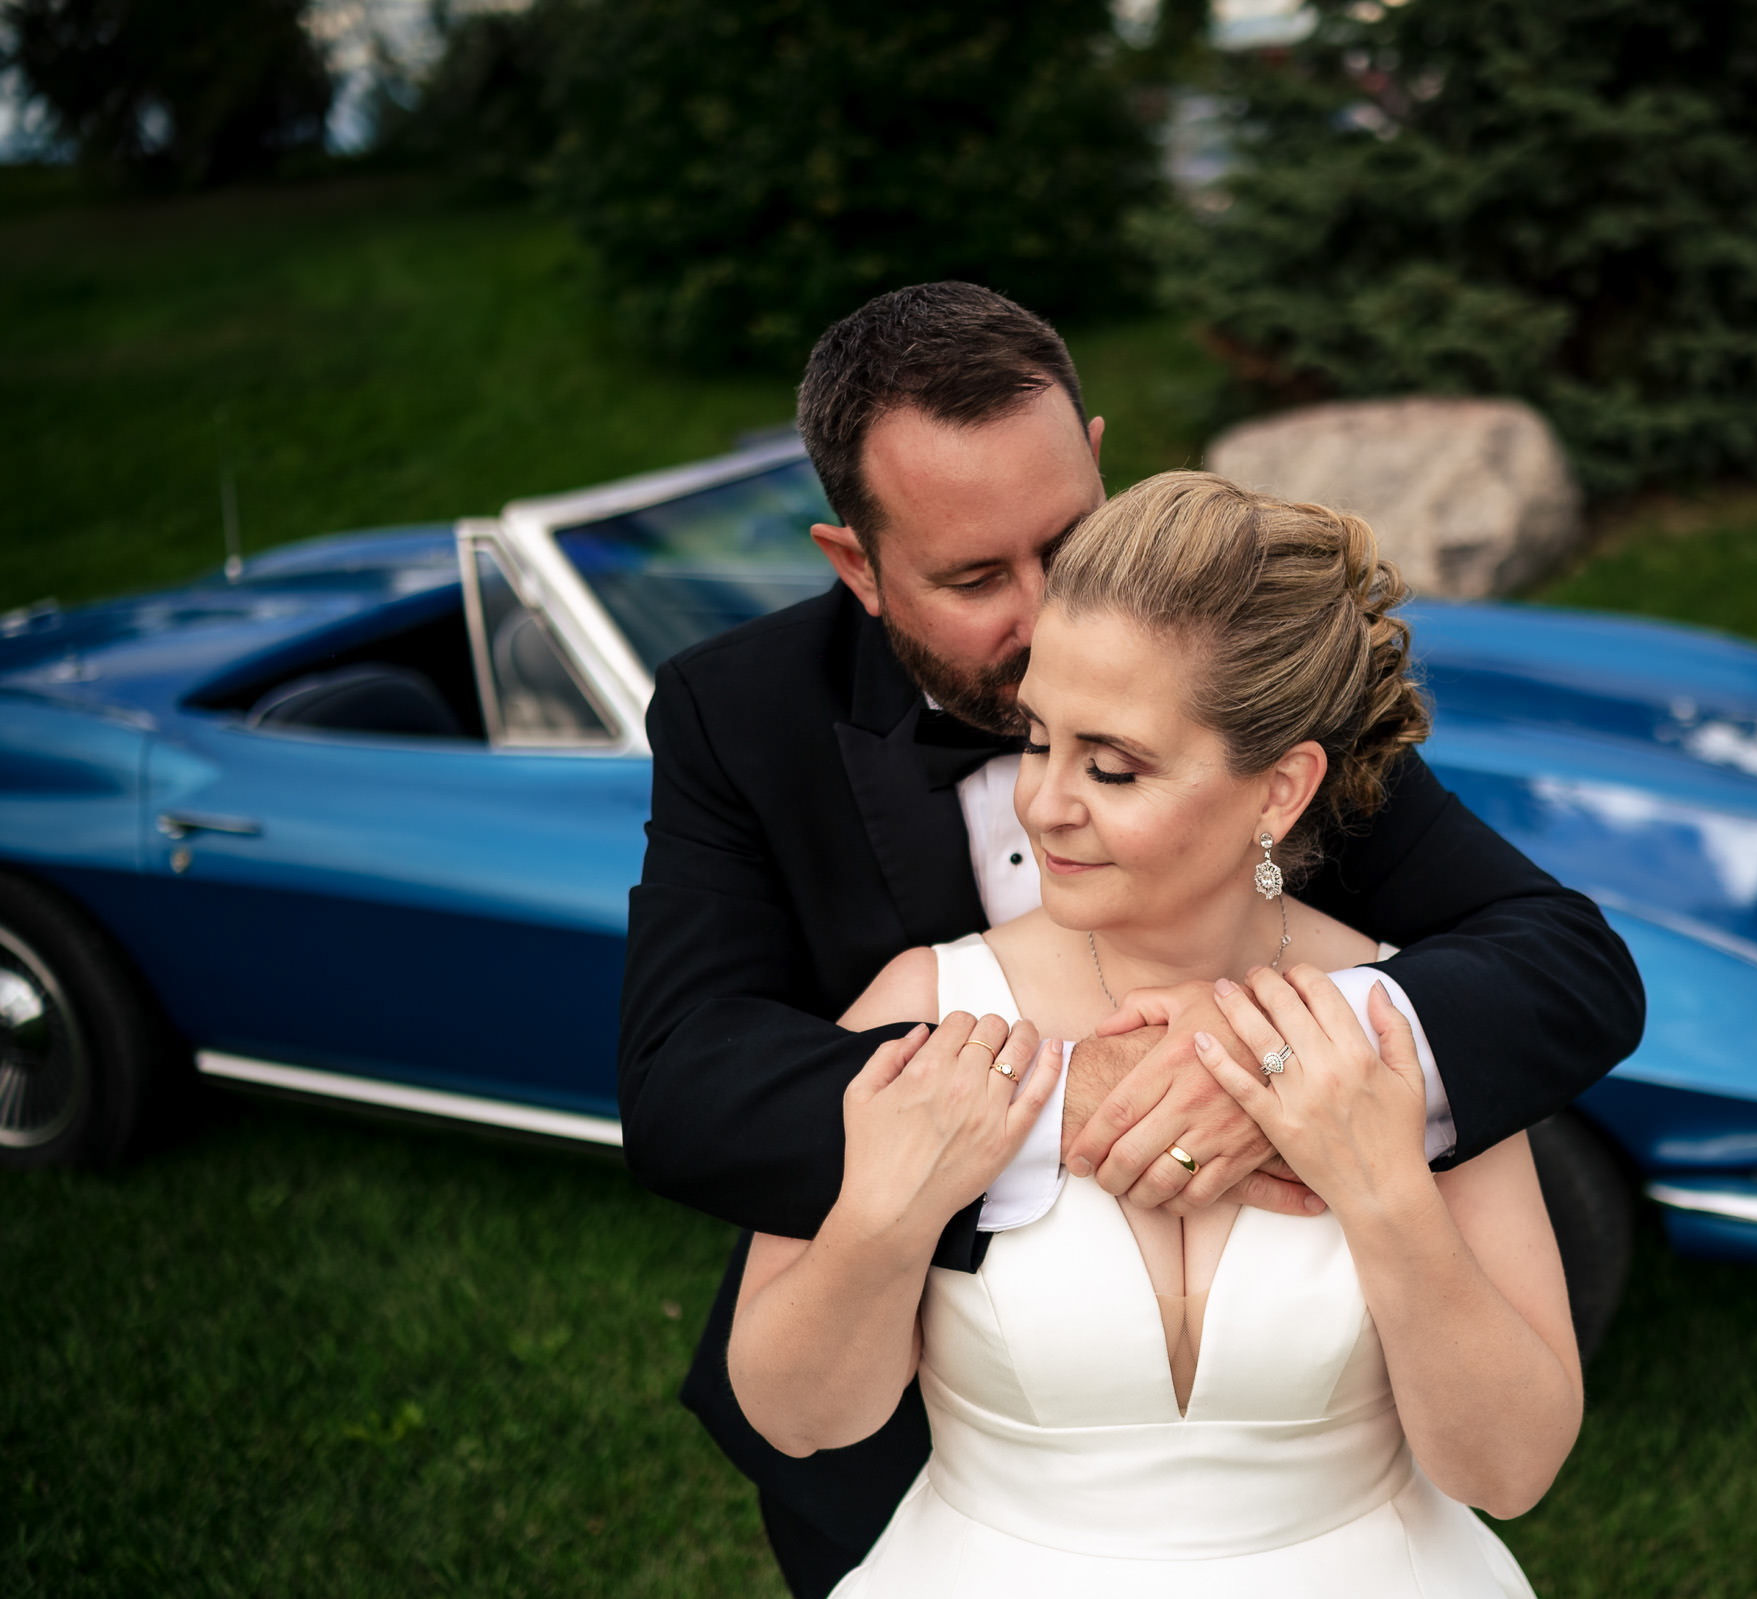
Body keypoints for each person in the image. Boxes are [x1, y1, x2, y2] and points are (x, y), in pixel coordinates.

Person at [617, 282, 1644, 1597]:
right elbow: (685, 1084)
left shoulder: (1219, 670)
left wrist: (1295, 1055)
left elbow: (1563, 960)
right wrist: (1039, 1103)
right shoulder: (739, 716)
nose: (1053, 622)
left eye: (1069, 538)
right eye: (978, 577)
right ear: (857, 566)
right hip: (940, 1491)